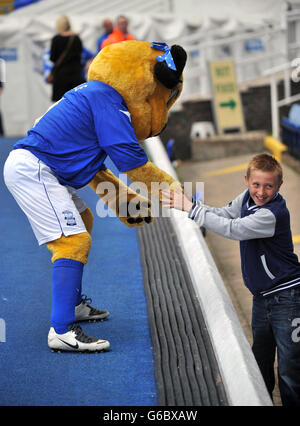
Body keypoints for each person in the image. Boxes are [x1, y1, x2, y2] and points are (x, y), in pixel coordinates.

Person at [161, 153, 300, 406]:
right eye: (256, 184)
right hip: (261, 297)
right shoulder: (246, 198)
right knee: (260, 360)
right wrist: (192, 204)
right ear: (246, 180)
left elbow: (233, 229)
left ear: (279, 186)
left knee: (290, 367)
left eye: (269, 185)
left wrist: (191, 209)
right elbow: (225, 214)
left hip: (287, 297)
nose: (261, 191)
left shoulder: (273, 214)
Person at [50, 15, 84, 102]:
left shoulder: (56, 39)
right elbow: (80, 55)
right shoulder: (76, 38)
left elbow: (53, 58)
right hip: (75, 76)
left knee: (61, 104)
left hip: (60, 77)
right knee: (75, 103)